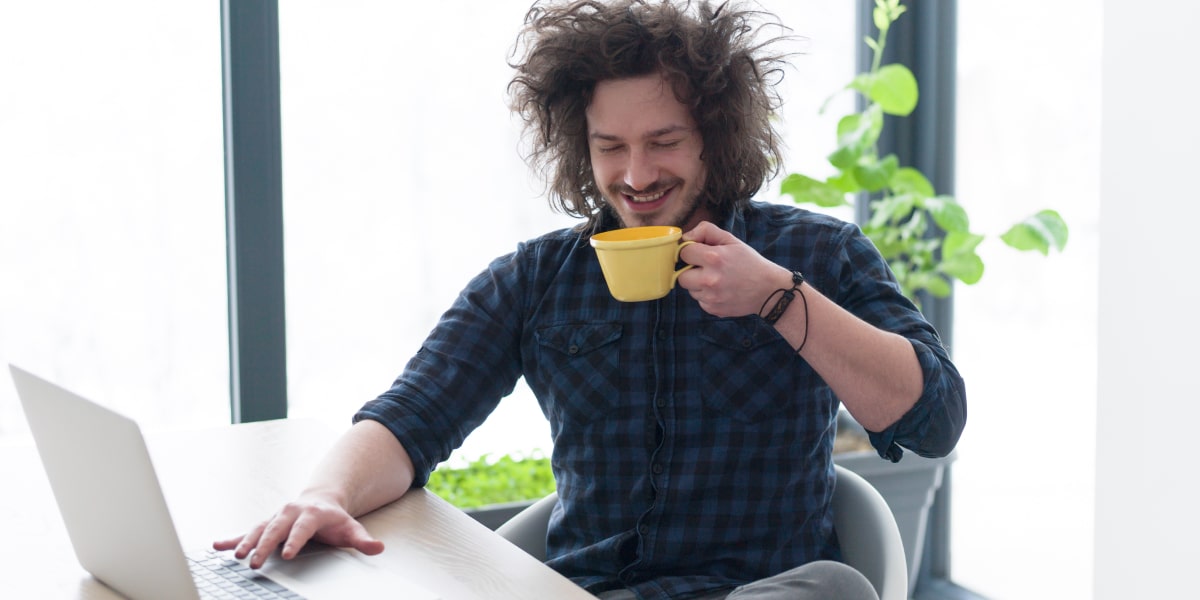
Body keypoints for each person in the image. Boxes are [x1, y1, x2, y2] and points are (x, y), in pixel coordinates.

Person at [214, 1, 967, 599]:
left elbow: (934, 419)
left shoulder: (814, 255)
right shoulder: (538, 278)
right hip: (583, 591)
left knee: (834, 588)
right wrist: (324, 495)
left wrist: (776, 298)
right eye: (611, 146)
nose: (636, 174)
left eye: (663, 141)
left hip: (762, 590)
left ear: (715, 135)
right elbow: (412, 415)